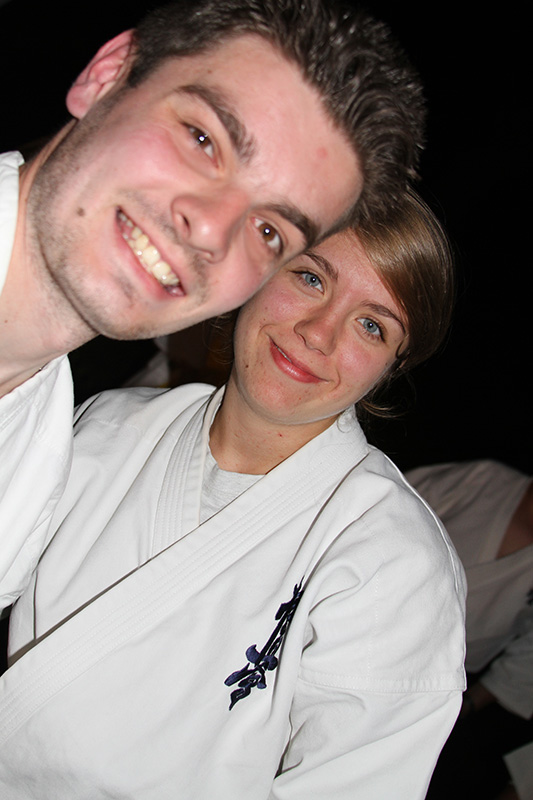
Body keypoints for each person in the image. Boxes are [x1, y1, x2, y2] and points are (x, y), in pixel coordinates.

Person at [0, 190, 465, 798]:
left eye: (371, 325)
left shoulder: (393, 560)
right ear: (258, 271)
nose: (318, 334)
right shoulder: (106, 425)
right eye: (310, 278)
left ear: (390, 367)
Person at [0, 0, 427, 612]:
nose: (210, 230)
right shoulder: (94, 437)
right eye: (204, 140)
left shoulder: (36, 461)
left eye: (269, 230)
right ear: (107, 75)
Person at [406, 460, 533, 800]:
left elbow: (527, 662)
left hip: (433, 688)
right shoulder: (483, 480)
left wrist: (466, 706)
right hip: (349, 625)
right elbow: (374, 511)